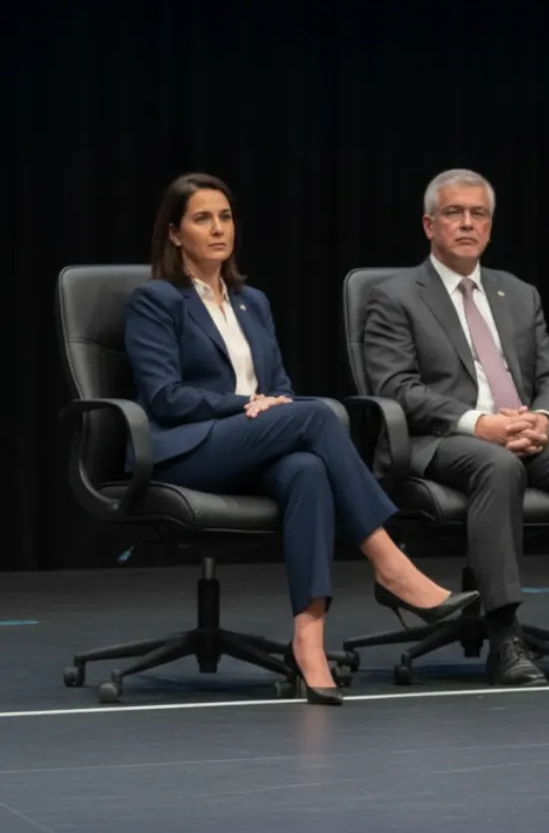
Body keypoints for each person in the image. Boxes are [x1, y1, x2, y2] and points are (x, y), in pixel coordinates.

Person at [124, 172, 476, 705]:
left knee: (308, 469)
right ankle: (391, 565)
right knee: (317, 416)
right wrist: (247, 405)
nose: (218, 229)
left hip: (250, 442)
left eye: (225, 217)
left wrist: (270, 407)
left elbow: (280, 388)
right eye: (202, 219)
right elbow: (164, 397)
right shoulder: (155, 301)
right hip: (186, 447)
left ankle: (308, 643)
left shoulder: (253, 302)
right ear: (174, 234)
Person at [362, 169, 549, 687]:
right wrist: (479, 423)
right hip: (441, 438)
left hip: (522, 430)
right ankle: (505, 636)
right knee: (498, 466)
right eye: (454, 213)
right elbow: (398, 389)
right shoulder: (394, 295)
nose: (467, 223)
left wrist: (542, 419)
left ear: (489, 226)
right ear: (429, 225)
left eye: (479, 214)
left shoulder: (518, 293)